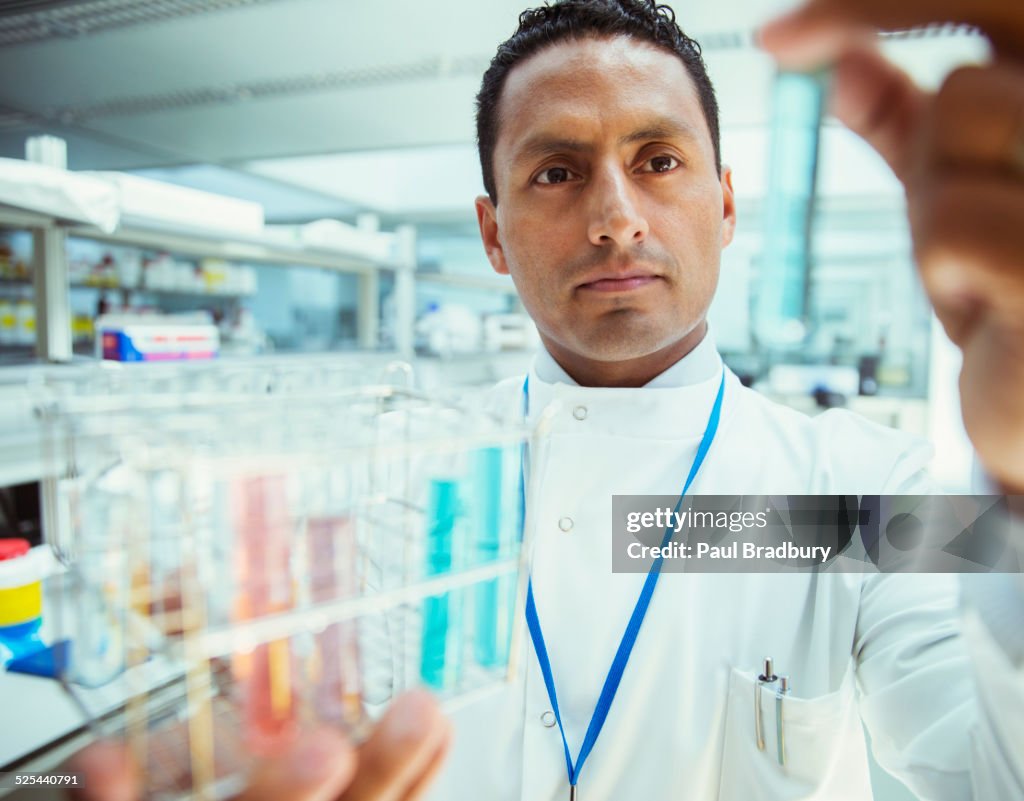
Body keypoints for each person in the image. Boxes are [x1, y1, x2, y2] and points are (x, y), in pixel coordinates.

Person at [73, 0, 1024, 798]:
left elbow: (989, 768)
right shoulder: (387, 478)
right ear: (493, 232)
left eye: (658, 160)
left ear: (726, 203)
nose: (615, 218)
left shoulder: (868, 487)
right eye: (556, 172)